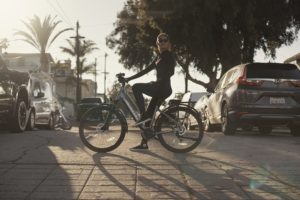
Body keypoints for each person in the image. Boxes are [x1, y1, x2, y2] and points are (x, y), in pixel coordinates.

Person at [124, 33, 176, 151]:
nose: (162, 42)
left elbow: (171, 71)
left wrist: (160, 81)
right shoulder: (159, 57)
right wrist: (129, 79)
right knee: (149, 116)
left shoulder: (169, 55)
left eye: (165, 40)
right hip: (159, 88)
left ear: (168, 43)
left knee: (136, 87)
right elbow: (145, 70)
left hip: (162, 88)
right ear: (157, 43)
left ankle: (142, 116)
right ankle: (144, 144)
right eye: (160, 41)